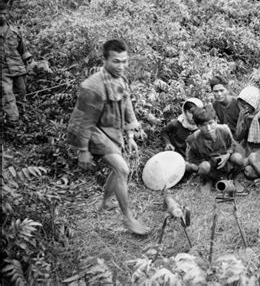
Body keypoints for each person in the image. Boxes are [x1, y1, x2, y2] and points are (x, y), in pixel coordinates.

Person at [67, 39, 149, 235]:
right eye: (116, 61)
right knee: (122, 169)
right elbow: (82, 121)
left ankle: (105, 201)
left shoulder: (121, 79)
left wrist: (130, 136)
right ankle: (128, 218)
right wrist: (83, 150)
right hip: (94, 132)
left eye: (124, 61)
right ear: (104, 60)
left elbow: (127, 107)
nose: (121, 66)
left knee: (118, 167)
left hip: (112, 132)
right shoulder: (91, 86)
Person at [186, 105, 244, 192]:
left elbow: (232, 144)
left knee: (238, 158)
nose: (208, 128)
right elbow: (191, 160)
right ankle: (207, 180)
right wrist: (200, 166)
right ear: (198, 126)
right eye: (203, 125)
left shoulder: (224, 130)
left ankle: (233, 178)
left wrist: (227, 155)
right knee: (204, 166)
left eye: (211, 123)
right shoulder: (192, 139)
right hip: (209, 167)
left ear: (216, 121)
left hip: (225, 164)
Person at [1, 2, 31, 126]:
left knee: (21, 91)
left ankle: (24, 115)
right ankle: (13, 121)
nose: (2, 16)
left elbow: (23, 49)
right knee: (7, 93)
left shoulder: (15, 31)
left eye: (4, 13)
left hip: (18, 67)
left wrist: (29, 62)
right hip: (2, 70)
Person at [162, 97, 203, 171]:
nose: (193, 116)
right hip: (176, 155)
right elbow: (164, 132)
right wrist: (168, 143)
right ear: (185, 111)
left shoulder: (202, 127)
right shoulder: (176, 124)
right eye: (190, 112)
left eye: (196, 113)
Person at [235, 86, 260, 156]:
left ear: (255, 103)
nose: (245, 107)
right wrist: (241, 120)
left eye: (248, 104)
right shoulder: (245, 115)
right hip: (247, 147)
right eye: (243, 104)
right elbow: (238, 137)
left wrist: (253, 156)